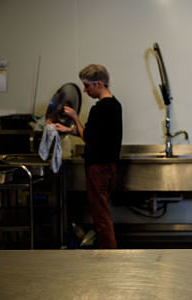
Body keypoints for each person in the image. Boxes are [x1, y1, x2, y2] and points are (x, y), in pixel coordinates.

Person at [55, 64, 123, 249]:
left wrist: (75, 118)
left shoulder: (100, 109)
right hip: (109, 167)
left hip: (98, 169)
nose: (84, 90)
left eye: (87, 86)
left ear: (99, 83)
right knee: (103, 213)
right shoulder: (114, 105)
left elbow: (89, 138)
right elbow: (96, 135)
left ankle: (109, 255)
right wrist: (68, 129)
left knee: (101, 216)